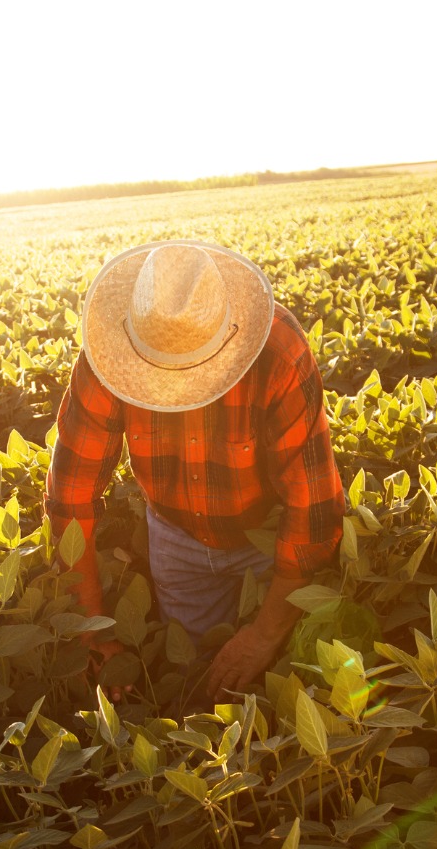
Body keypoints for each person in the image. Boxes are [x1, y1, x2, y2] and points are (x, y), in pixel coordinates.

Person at [44, 240, 345, 706]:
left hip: (268, 535)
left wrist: (265, 635)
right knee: (201, 681)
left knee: (283, 680)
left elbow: (312, 513)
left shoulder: (278, 350)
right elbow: (71, 497)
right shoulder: (107, 356)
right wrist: (92, 629)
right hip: (175, 535)